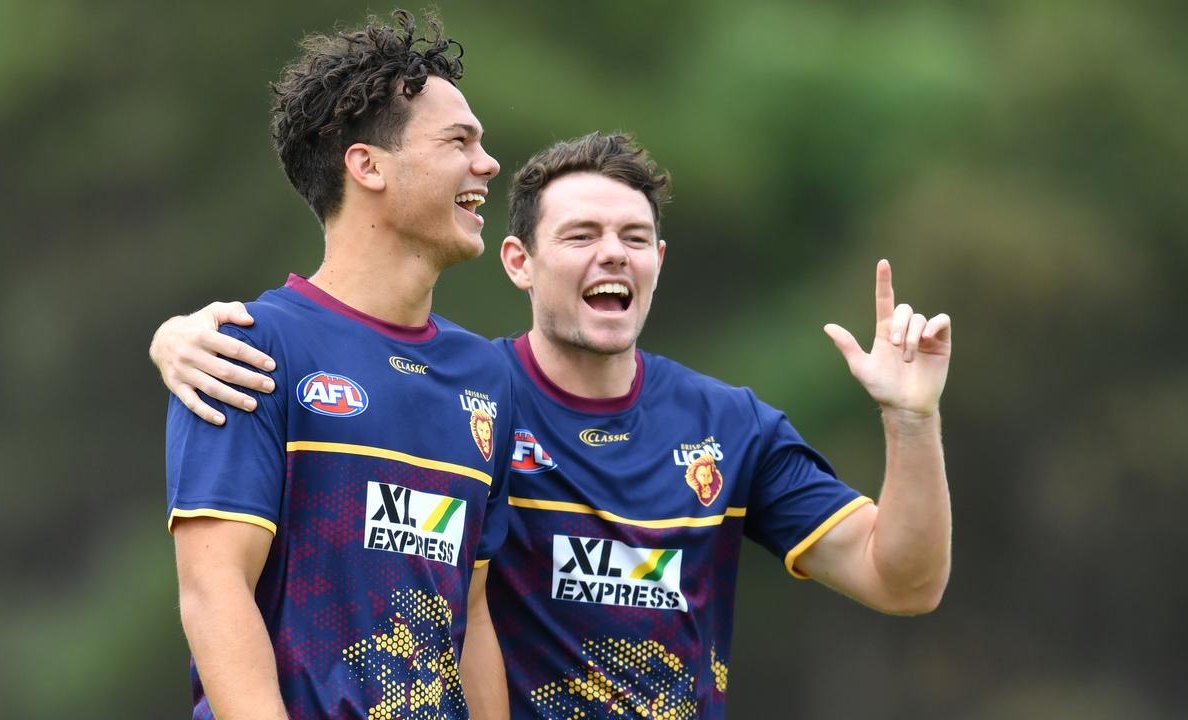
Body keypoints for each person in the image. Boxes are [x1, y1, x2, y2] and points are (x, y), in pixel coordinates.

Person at [154, 134, 952, 718]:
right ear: (517, 262)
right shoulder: (460, 397)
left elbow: (905, 579)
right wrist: (180, 338)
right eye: (580, 237)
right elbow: (341, 370)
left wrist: (911, 421)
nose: (613, 256)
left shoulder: (729, 425)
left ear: (659, 262)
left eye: (635, 239)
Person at [163, 11, 515, 719]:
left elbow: (471, 614)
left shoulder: (485, 377)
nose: (488, 164)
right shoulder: (248, 347)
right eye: (459, 142)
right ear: (368, 165)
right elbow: (214, 590)